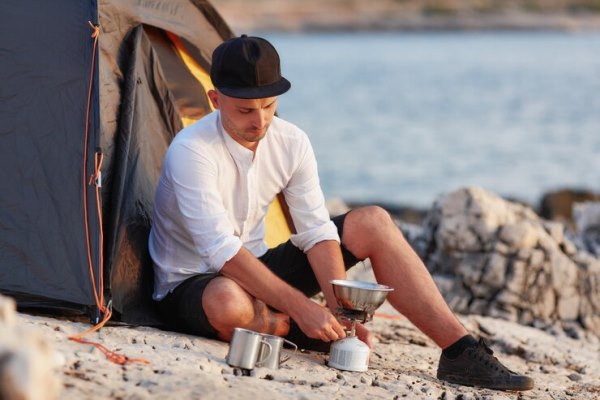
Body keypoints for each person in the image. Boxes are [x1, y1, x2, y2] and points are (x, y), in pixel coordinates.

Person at [149, 34, 534, 391]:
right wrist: (301, 308)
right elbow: (222, 253)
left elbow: (316, 231)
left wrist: (341, 312)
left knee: (373, 222)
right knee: (227, 301)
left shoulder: (291, 142)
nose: (261, 121)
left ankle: (460, 352)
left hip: (260, 269)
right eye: (246, 109)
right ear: (215, 100)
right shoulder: (191, 151)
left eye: (269, 106)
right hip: (192, 284)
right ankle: (281, 324)